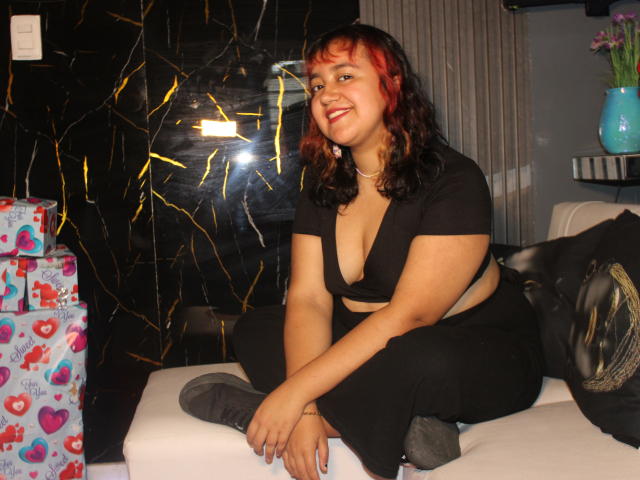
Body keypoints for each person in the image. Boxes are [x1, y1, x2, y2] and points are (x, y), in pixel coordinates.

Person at [179, 24, 543, 480]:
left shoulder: (454, 179)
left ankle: (264, 412)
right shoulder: (323, 185)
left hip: (468, 344)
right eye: (316, 85)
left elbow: (411, 316)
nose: (326, 94)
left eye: (345, 76)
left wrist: (294, 395)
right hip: (372, 338)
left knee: (419, 357)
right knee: (258, 328)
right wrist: (305, 406)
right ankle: (406, 426)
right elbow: (310, 300)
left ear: (392, 84)